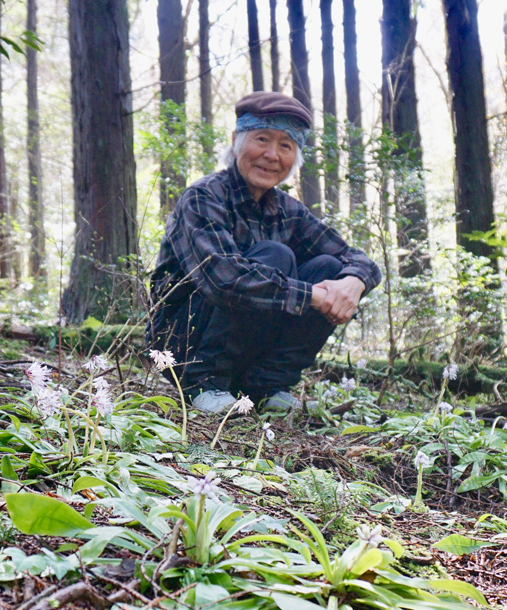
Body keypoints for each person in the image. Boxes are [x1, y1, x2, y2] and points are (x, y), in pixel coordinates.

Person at [147, 92, 382, 412]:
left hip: (246, 344)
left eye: (285, 145)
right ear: (235, 141)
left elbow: (357, 259)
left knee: (329, 266)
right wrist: (312, 295)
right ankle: (204, 385)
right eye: (261, 139)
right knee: (277, 256)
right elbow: (224, 278)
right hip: (182, 346)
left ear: (295, 157)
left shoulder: (290, 211)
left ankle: (267, 385)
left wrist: (354, 281)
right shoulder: (204, 197)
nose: (272, 155)